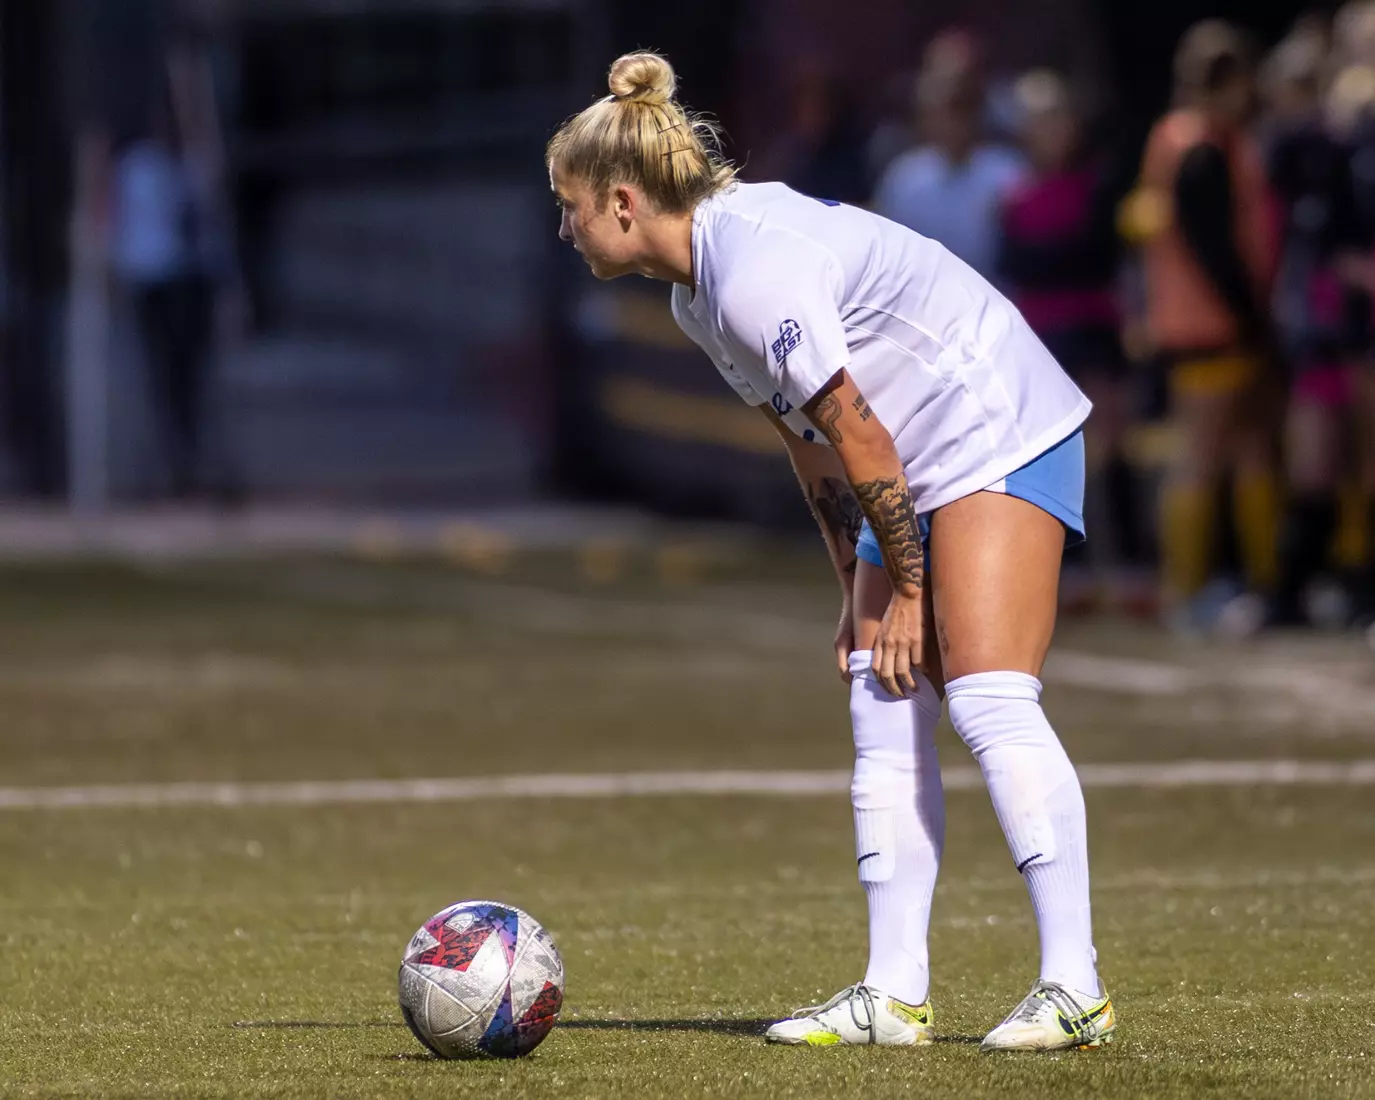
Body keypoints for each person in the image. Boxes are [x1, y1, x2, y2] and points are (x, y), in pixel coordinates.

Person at [547, 51, 1113, 1052]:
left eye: (570, 206)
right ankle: (892, 995)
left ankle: (1077, 986)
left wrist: (908, 591)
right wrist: (855, 592)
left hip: (994, 425)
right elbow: (809, 444)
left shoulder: (751, 269)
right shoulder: (695, 297)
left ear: (623, 202)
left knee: (987, 697)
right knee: (877, 687)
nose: (564, 227)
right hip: (906, 454)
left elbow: (861, 438)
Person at [1121, 21, 1281, 631]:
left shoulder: (1180, 139)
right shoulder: (1201, 151)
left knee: (1247, 451)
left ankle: (1257, 586)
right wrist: (1253, 318)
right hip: (1212, 328)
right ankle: (1187, 592)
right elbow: (1215, 250)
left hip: (1200, 326)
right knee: (1205, 458)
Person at [999, 71, 1138, 584]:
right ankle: (1067, 565)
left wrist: (1052, 258)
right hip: (1042, 335)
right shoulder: (1015, 195)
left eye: (1057, 119)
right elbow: (1017, 262)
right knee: (1052, 451)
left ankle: (1130, 560)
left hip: (1093, 328)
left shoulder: (1098, 185)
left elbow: (1095, 254)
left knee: (1111, 447)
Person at [874, 60, 1026, 280]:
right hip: (924, 293)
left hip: (996, 290)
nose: (948, 123)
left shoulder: (1007, 172)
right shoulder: (905, 177)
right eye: (937, 113)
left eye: (957, 110)